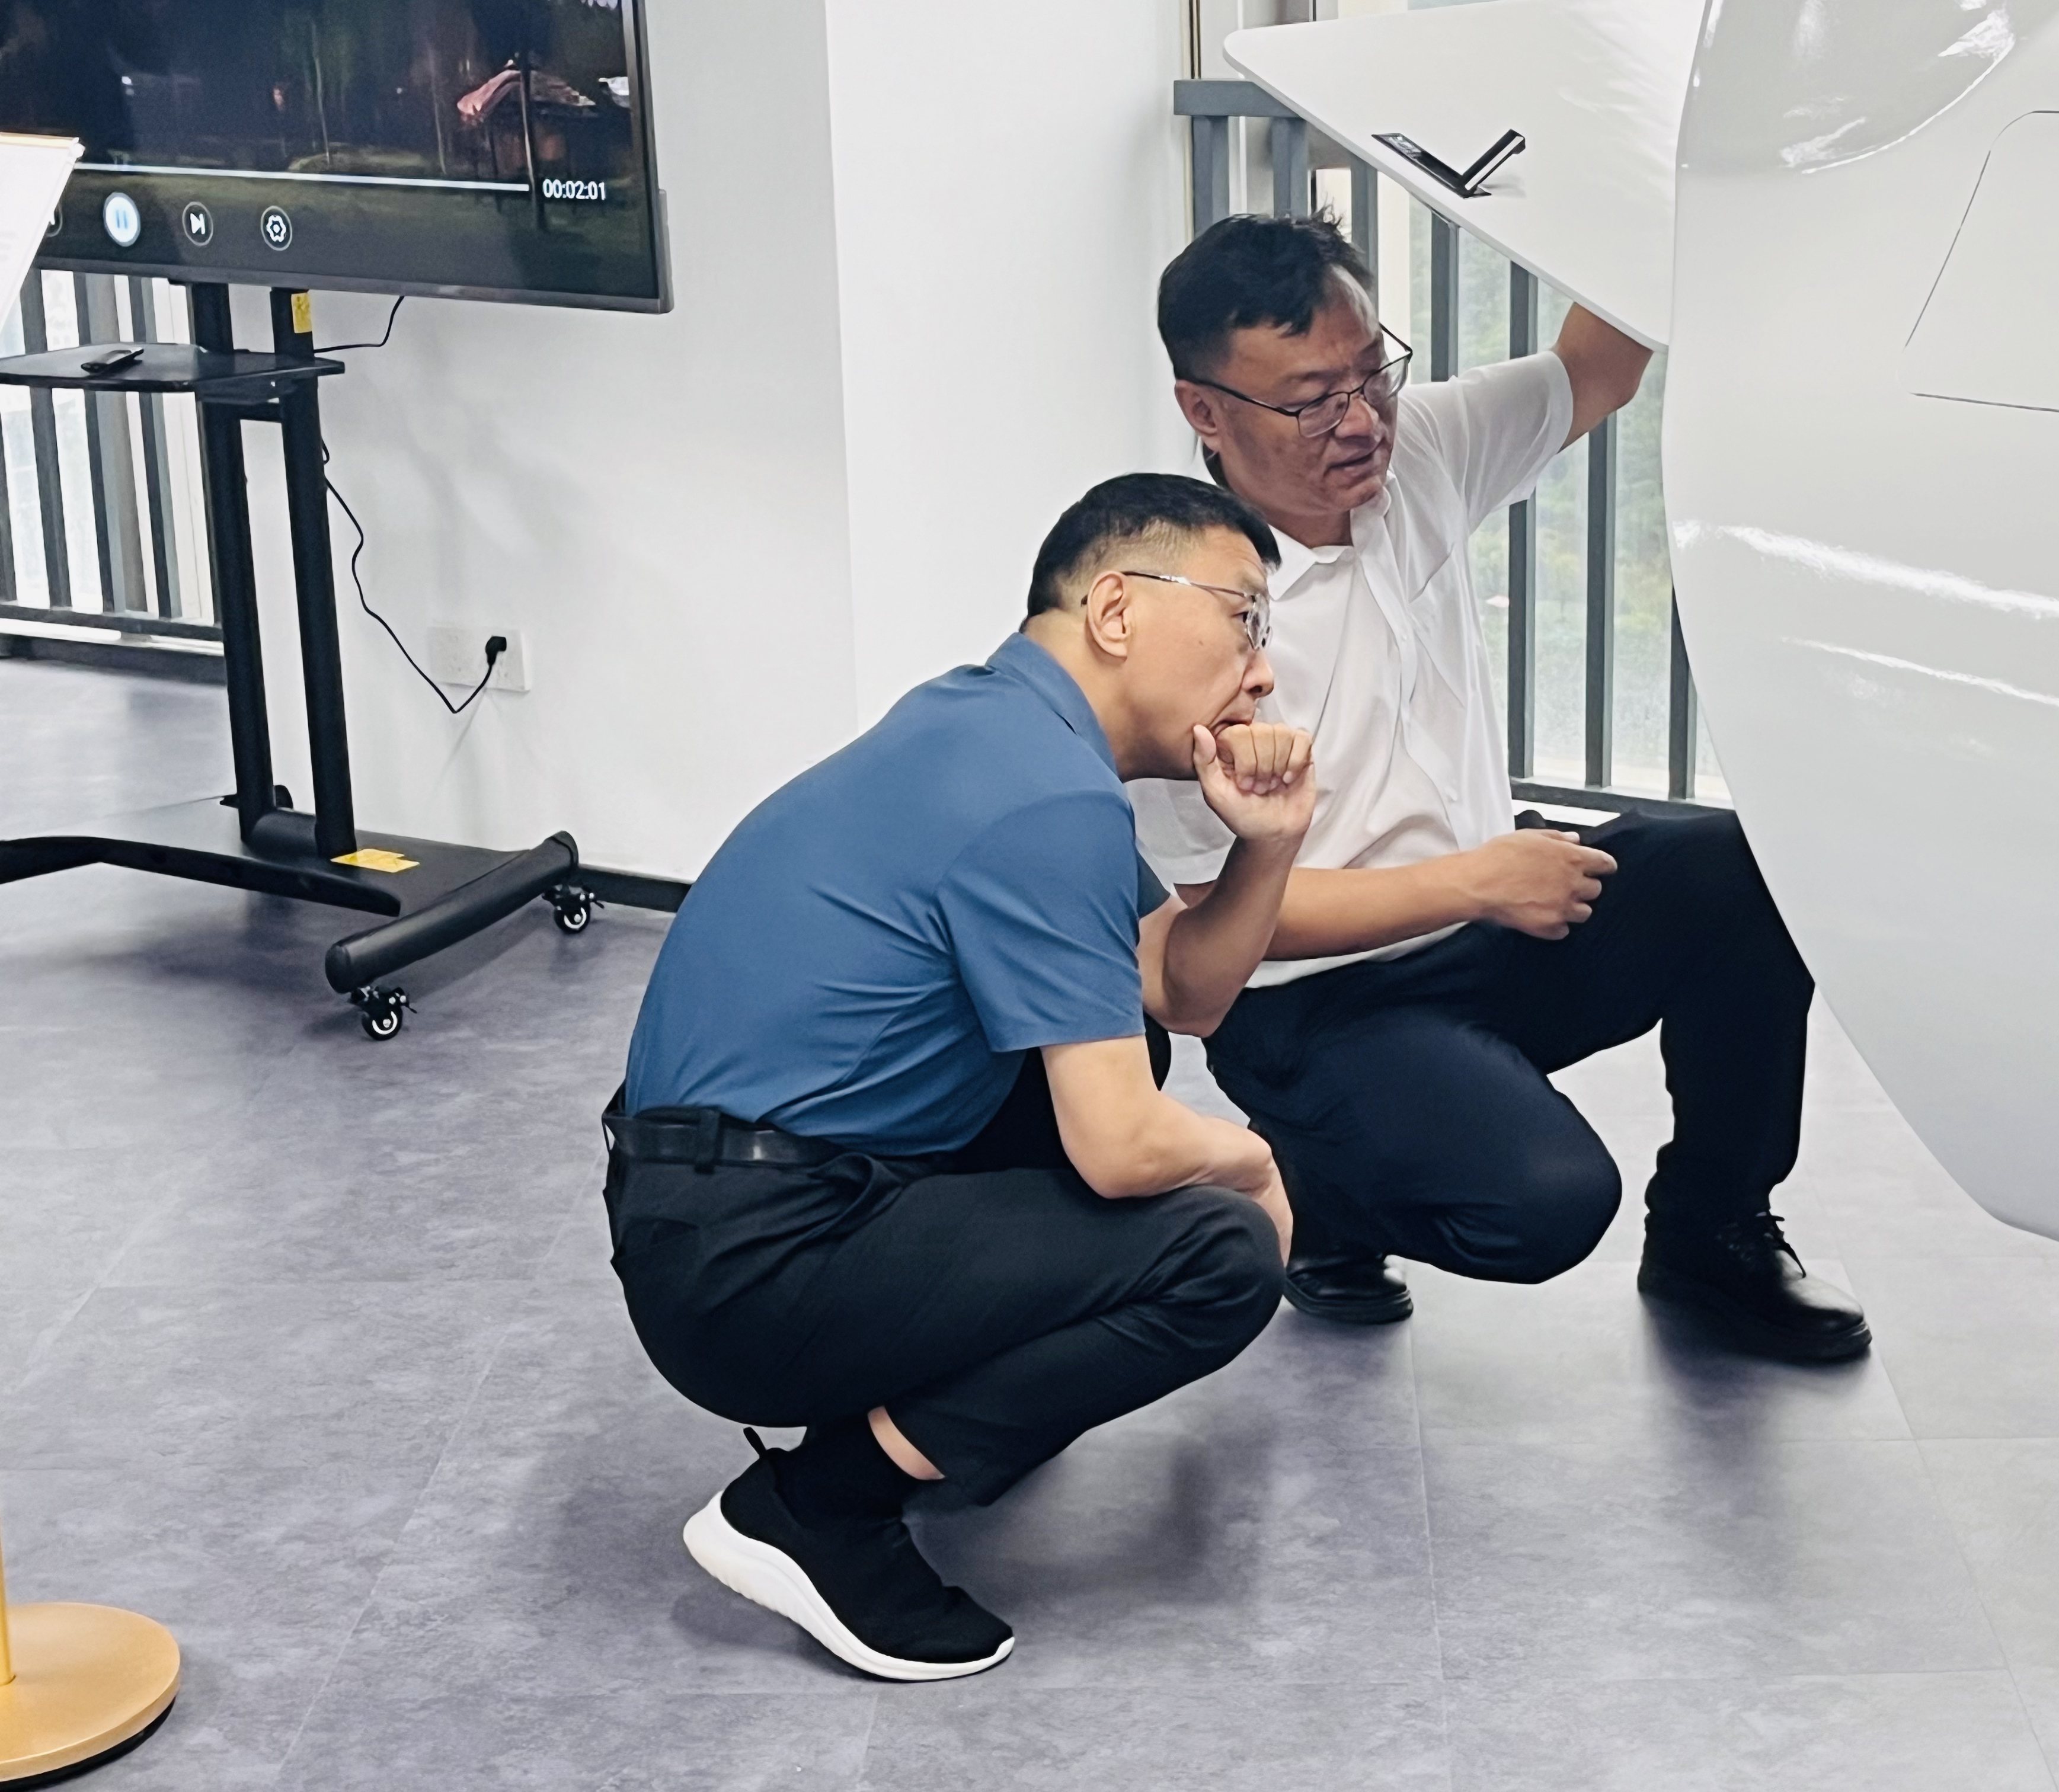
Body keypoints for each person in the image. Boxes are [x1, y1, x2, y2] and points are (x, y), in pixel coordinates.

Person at [608, 473, 1319, 1682]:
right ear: (1116, 611)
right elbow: (1119, 1149)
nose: (1262, 673)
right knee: (1218, 1251)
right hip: (750, 1263)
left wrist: (1273, 843)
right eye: (1244, 618)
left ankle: (936, 1409)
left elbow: (1177, 987)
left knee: (1126, 1048)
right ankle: (820, 1506)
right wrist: (1252, 1160)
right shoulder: (1046, 795)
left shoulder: (992, 728)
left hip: (708, 1210)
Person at [1131, 214, 1868, 1362]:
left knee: (1739, 871)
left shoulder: (1416, 448)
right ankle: (1320, 1195)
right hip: (1320, 1001)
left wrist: (1639, 171)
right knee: (1544, 1205)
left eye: (1372, 372)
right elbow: (1212, 927)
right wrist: (1475, 881)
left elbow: (1599, 367)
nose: (1361, 422)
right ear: (1205, 411)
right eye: (1311, 400)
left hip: (1497, 921)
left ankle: (1710, 1232)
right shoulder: (1173, 616)